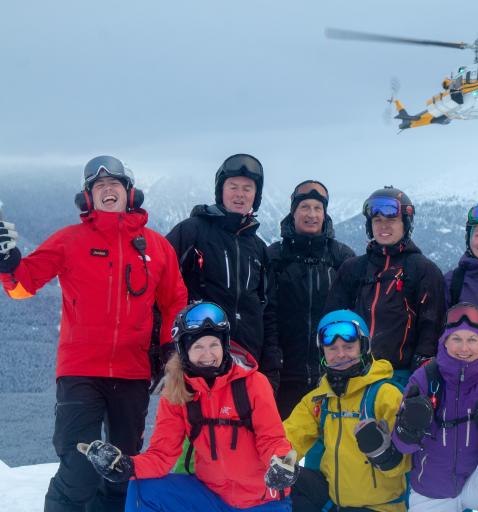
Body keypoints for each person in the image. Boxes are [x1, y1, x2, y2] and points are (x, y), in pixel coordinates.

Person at [0, 155, 188, 512]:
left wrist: (169, 350)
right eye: (99, 186)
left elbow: (174, 301)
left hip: (132, 373)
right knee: (79, 466)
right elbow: (23, 286)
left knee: (120, 468)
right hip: (80, 371)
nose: (107, 190)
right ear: (88, 197)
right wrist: (8, 265)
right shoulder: (70, 240)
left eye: (114, 184)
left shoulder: (155, 247)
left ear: (129, 193)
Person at [78, 302, 295, 511]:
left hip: (262, 502)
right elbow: (162, 455)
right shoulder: (177, 391)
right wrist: (126, 465)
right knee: (143, 488)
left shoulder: (253, 383)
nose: (208, 354)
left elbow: (272, 439)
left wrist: (281, 463)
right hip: (210, 496)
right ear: (184, 351)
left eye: (214, 345)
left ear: (225, 346)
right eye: (198, 347)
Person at [391, 303, 478, 512]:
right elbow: (403, 446)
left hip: (477, 480)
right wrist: (409, 427)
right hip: (432, 487)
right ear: (444, 342)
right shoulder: (424, 378)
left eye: (472, 340)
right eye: (456, 339)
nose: (464, 348)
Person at [166, 153, 281, 391]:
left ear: (256, 196)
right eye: (233, 187)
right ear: (221, 190)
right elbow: (160, 283)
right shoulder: (192, 231)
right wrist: (165, 348)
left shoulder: (258, 248)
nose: (240, 194)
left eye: (248, 189)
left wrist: (271, 367)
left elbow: (268, 311)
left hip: (247, 361)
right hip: (199, 360)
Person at [283, 309, 409, 512]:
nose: (340, 354)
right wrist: (279, 461)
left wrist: (385, 454)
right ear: (322, 353)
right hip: (333, 501)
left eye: (349, 347)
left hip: (379, 506)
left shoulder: (385, 395)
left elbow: (411, 458)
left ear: (363, 347)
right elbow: (289, 436)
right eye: (332, 348)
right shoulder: (320, 399)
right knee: (285, 482)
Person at [325, 186, 445, 387]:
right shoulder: (353, 269)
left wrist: (420, 377)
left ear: (405, 224)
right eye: (377, 220)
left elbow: (431, 329)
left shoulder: (424, 270)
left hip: (400, 378)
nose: (383, 226)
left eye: (391, 220)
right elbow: (333, 320)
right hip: (354, 376)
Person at [267, 180, 355, 419]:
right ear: (293, 212)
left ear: (325, 214)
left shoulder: (341, 258)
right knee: (284, 438)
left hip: (331, 372)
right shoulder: (274, 257)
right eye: (305, 207)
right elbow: (266, 313)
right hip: (283, 375)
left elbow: (354, 313)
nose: (312, 214)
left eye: (318, 208)